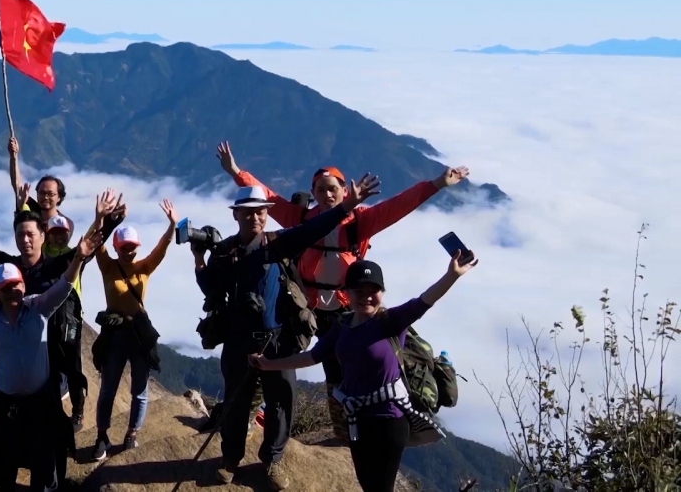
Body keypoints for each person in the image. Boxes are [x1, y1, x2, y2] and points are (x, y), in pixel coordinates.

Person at [216, 140, 469, 438]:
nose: (326, 195)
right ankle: (251, 412)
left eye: (332, 188)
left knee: (337, 370)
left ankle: (342, 430)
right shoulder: (301, 220)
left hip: (344, 308)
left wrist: (439, 183)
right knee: (273, 354)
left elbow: (399, 205)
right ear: (313, 194)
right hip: (303, 305)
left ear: (345, 192)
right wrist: (236, 172)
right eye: (320, 190)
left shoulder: (360, 222)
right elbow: (267, 197)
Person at [194, 178, 380, 490]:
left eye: (260, 212)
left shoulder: (279, 243)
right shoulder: (225, 252)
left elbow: (315, 228)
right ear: (236, 215)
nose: (255, 217)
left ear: (267, 214)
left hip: (278, 340)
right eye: (248, 212)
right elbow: (210, 288)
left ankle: (272, 460)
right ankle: (230, 459)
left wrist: (347, 206)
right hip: (239, 341)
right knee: (236, 403)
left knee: (281, 401)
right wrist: (198, 258)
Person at [249, 251, 480, 492]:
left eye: (373, 290)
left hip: (389, 420)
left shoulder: (391, 321)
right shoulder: (343, 325)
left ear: (382, 292)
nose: (367, 297)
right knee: (367, 485)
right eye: (359, 291)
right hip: (356, 419)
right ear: (346, 293)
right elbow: (312, 356)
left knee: (381, 488)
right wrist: (267, 364)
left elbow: (425, 300)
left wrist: (451, 275)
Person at [0, 190, 123, 429]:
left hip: (59, 328)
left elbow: (86, 250)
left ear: (42, 236)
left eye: (30, 234)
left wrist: (110, 222)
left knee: (71, 368)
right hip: (31, 335)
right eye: (20, 235)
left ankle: (77, 410)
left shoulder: (57, 264)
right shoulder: (10, 266)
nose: (25, 240)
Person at [0, 225, 103, 492]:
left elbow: (65, 285)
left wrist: (78, 257)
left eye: (16, 283)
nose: (13, 290)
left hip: (40, 403)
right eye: (6, 286)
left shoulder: (39, 307)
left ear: (23, 283)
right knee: (3, 469)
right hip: (6, 406)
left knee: (44, 468)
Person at [90, 199, 179, 462]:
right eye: (124, 247)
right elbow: (97, 242)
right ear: (116, 247)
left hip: (139, 335)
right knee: (108, 389)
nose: (129, 251)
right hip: (115, 335)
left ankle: (132, 434)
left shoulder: (144, 268)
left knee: (140, 390)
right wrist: (100, 220)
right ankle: (102, 437)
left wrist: (172, 225)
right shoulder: (108, 266)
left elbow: (161, 250)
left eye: (133, 247)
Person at [9, 136, 74, 234]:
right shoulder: (33, 210)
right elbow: (17, 186)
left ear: (59, 197)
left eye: (50, 194)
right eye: (42, 193)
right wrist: (13, 155)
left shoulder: (64, 223)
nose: (46, 197)